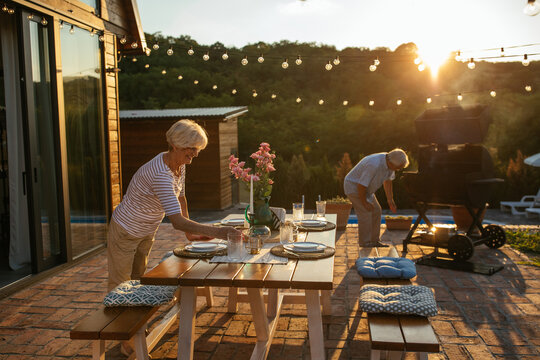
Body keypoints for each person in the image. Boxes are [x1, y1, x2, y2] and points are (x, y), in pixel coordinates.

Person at [107, 119, 241, 291]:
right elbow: (177, 221)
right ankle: (116, 317)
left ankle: (129, 314)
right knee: (119, 286)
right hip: (125, 230)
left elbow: (181, 198)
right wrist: (220, 233)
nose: (196, 153)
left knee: (137, 280)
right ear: (176, 144)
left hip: (147, 230)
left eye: (198, 148)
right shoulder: (161, 174)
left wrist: (190, 233)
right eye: (192, 148)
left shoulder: (178, 164)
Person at [344, 148, 409, 247]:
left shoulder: (390, 164)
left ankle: (374, 241)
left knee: (376, 210)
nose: (398, 170)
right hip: (354, 187)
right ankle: (365, 242)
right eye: (398, 167)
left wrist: (390, 199)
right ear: (391, 162)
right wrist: (365, 202)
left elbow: (388, 181)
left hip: (366, 189)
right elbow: (361, 186)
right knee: (365, 212)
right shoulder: (374, 164)